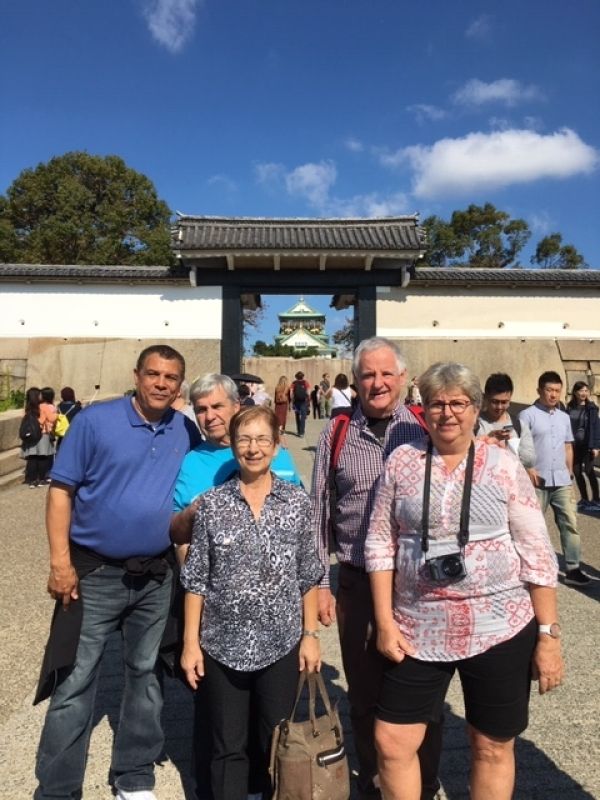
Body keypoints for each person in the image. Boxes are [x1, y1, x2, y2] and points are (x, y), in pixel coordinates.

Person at [365, 362, 562, 800]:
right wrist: (384, 622)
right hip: (417, 627)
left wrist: (548, 636)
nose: (447, 413)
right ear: (423, 409)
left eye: (458, 403)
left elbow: (536, 551)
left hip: (499, 625)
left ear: (476, 409)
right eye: (437, 403)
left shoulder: (503, 464)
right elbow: (379, 544)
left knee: (491, 745)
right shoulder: (402, 461)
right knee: (392, 741)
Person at [34, 345, 199, 800]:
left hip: (156, 575)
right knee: (74, 679)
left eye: (171, 377)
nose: (161, 383)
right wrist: (60, 562)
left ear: (180, 385)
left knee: (146, 676)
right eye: (153, 374)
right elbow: (61, 492)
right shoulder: (94, 422)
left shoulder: (184, 429)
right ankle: (57, 788)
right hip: (94, 571)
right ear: (137, 375)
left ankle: (134, 774)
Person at [311, 337, 441, 800]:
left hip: (417, 584)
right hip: (357, 579)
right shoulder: (338, 430)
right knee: (364, 692)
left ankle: (423, 781)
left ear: (404, 379)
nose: (378, 383)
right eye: (368, 374)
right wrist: (321, 582)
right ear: (356, 381)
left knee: (423, 692)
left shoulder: (425, 426)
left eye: (387, 374)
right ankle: (373, 781)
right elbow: (317, 509)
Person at [169, 374, 303, 800]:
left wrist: (312, 632)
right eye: (201, 409)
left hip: (279, 633)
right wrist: (192, 637)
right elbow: (188, 555)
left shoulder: (292, 491)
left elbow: (306, 561)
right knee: (223, 735)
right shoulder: (204, 484)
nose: (252, 447)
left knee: (274, 734)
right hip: (221, 628)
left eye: (262, 439)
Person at [520, 371, 592, 587]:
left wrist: (569, 472)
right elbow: (522, 446)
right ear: (539, 390)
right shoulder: (527, 415)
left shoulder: (563, 417)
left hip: (561, 479)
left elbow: (568, 445)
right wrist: (528, 469)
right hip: (537, 479)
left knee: (570, 523)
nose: (553, 395)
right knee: (531, 526)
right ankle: (533, 567)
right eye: (549, 390)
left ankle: (572, 568)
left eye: (557, 391)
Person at [477, 373, 536, 468]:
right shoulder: (475, 424)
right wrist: (489, 439)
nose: (499, 407)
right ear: (486, 398)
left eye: (504, 402)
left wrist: (510, 442)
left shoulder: (518, 425)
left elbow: (530, 460)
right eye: (495, 402)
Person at [566, 381, 600, 510]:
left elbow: (596, 427)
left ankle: (596, 499)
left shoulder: (591, 408)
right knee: (576, 471)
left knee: (589, 470)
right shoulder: (569, 407)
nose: (584, 393)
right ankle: (585, 499)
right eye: (581, 390)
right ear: (575, 392)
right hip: (575, 445)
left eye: (586, 391)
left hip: (588, 445)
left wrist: (596, 446)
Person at [21, 386, 45, 487]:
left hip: (29, 437)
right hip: (39, 436)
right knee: (40, 458)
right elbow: (42, 421)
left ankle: (30, 479)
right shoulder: (41, 408)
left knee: (31, 458)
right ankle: (39, 478)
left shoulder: (27, 409)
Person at [38, 386, 58, 480]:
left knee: (40, 454)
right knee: (48, 455)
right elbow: (51, 419)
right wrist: (58, 415)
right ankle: (47, 474)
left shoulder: (39, 406)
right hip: (47, 432)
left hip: (39, 432)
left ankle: (39, 475)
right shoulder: (51, 407)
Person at [290, 370, 310, 437]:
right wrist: (308, 400)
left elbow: (291, 393)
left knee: (297, 416)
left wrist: (292, 401)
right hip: (303, 401)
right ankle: (302, 432)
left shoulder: (294, 383)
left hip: (296, 402)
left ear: (296, 377)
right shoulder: (306, 383)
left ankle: (298, 431)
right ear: (303, 377)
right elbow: (308, 392)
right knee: (303, 417)